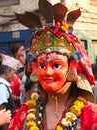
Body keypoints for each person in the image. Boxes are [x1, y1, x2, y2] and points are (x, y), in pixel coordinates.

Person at [9, 0, 97, 130]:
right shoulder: (23, 114)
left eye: (56, 66)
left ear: (71, 66)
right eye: (42, 66)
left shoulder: (91, 115)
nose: (48, 73)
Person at [0, 55, 17, 130]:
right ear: (8, 72)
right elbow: (2, 111)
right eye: (13, 72)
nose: (14, 75)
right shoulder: (2, 87)